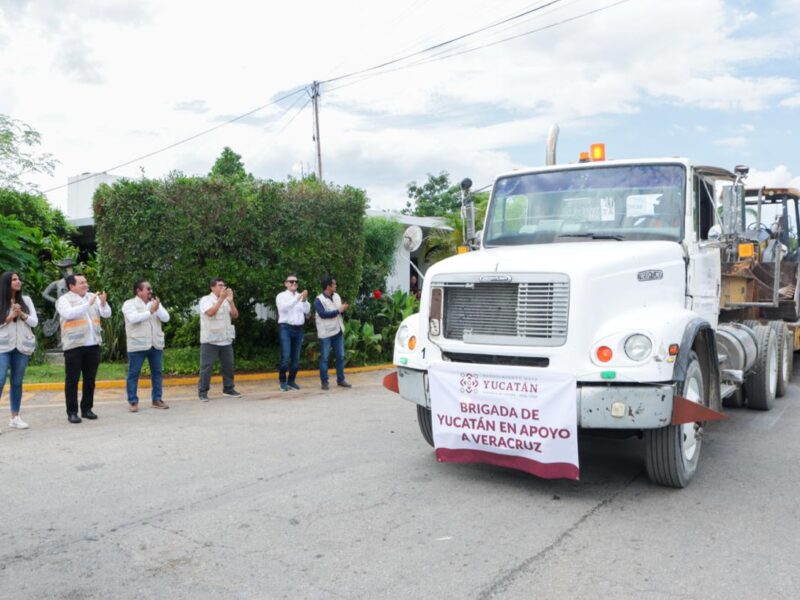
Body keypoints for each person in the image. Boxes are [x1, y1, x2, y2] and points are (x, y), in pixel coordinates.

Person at [56, 274, 111, 423]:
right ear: (71, 286)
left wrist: (104, 304)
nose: (86, 285)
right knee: (72, 380)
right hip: (74, 346)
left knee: (90, 379)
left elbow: (107, 314)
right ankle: (72, 412)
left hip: (93, 345)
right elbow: (68, 314)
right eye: (81, 283)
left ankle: (87, 409)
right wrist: (88, 304)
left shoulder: (92, 296)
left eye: (86, 281)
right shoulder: (64, 300)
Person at [122, 280, 170, 412]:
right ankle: (133, 401)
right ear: (138, 291)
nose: (151, 291)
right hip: (138, 345)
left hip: (155, 344)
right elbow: (133, 318)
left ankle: (157, 399)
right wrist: (150, 311)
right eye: (148, 289)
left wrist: (157, 308)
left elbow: (166, 318)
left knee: (157, 373)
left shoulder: (154, 303)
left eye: (151, 289)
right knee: (134, 373)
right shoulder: (129, 304)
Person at [0, 272, 38, 431]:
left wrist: (21, 314)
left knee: (17, 382)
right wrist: (10, 316)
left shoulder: (27, 300)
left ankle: (15, 417)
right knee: (0, 380)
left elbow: (35, 322)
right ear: (6, 283)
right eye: (14, 279)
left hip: (22, 347)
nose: (18, 281)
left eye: (18, 279)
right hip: (2, 347)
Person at [198, 277, 241, 401]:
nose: (223, 288)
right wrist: (221, 299)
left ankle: (228, 388)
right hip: (210, 340)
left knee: (228, 366)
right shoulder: (206, 300)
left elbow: (235, 315)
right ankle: (202, 391)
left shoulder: (227, 301)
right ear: (212, 287)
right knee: (206, 367)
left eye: (224, 285)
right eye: (220, 285)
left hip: (226, 339)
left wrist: (231, 301)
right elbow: (210, 312)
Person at [314, 275, 351, 390]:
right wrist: (338, 311)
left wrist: (343, 310)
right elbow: (322, 314)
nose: (335, 286)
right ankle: (324, 382)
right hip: (326, 333)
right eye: (334, 284)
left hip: (338, 331)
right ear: (328, 286)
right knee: (325, 357)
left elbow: (339, 312)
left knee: (340, 356)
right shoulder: (318, 300)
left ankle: (341, 380)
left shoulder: (337, 296)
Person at [276, 273, 310, 392]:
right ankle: (282, 381)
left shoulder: (301, 296)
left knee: (296, 358)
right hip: (286, 328)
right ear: (286, 284)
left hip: (299, 329)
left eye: (296, 282)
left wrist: (304, 300)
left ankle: (291, 380)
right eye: (291, 281)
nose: (294, 283)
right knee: (286, 356)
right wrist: (297, 298)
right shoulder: (281, 296)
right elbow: (283, 309)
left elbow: (307, 311)